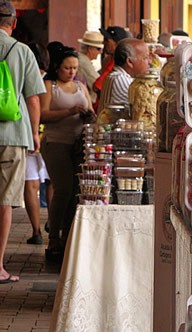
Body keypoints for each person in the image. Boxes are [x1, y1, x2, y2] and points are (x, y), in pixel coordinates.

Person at [0, 0, 46, 283]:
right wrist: (34, 134)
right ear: (14, 23)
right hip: (12, 135)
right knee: (4, 203)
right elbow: (33, 98)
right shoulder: (22, 51)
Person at [39, 45, 95, 260]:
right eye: (67, 68)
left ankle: (68, 236)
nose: (71, 72)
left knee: (75, 192)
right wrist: (69, 112)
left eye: (74, 68)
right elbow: (43, 115)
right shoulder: (49, 86)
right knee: (62, 189)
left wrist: (88, 116)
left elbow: (91, 112)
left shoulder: (80, 86)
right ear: (57, 67)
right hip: (56, 142)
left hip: (79, 144)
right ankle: (53, 238)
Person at [24, 42, 51, 245]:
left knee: (31, 184)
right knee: (51, 183)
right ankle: (52, 222)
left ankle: (36, 231)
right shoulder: (50, 83)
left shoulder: (23, 78)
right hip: (47, 136)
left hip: (29, 136)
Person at [97, 38, 150, 114]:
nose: (149, 62)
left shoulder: (114, 76)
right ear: (129, 62)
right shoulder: (120, 79)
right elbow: (148, 105)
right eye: (145, 58)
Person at [92, 26, 130, 109]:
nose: (104, 43)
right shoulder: (109, 60)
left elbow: (97, 87)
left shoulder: (117, 62)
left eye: (107, 40)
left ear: (117, 43)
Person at [76, 30, 104, 103]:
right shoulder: (83, 62)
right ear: (90, 48)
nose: (101, 52)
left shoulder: (83, 59)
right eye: (98, 49)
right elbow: (97, 83)